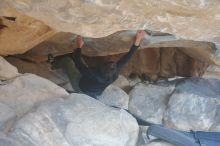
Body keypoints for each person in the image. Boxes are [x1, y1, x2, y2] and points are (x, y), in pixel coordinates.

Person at [48, 30, 146, 98]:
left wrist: (79, 46)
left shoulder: (91, 74)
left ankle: (53, 64)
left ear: (101, 68)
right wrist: (137, 41)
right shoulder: (114, 74)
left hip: (81, 86)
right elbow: (127, 58)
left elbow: (78, 62)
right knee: (82, 64)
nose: (113, 64)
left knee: (68, 61)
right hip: (97, 91)